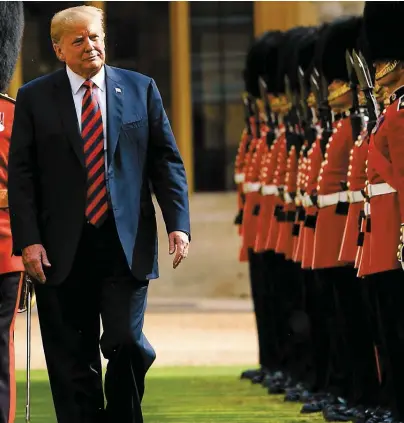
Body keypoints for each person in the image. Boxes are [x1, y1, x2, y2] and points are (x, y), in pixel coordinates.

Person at [8, 5, 191, 423]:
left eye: (95, 37)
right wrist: (29, 241)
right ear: (58, 50)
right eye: (78, 41)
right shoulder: (35, 97)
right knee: (72, 357)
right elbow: (21, 177)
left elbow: (167, 163)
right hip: (59, 248)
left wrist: (178, 224)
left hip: (124, 245)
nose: (90, 46)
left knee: (127, 342)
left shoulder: (141, 88)